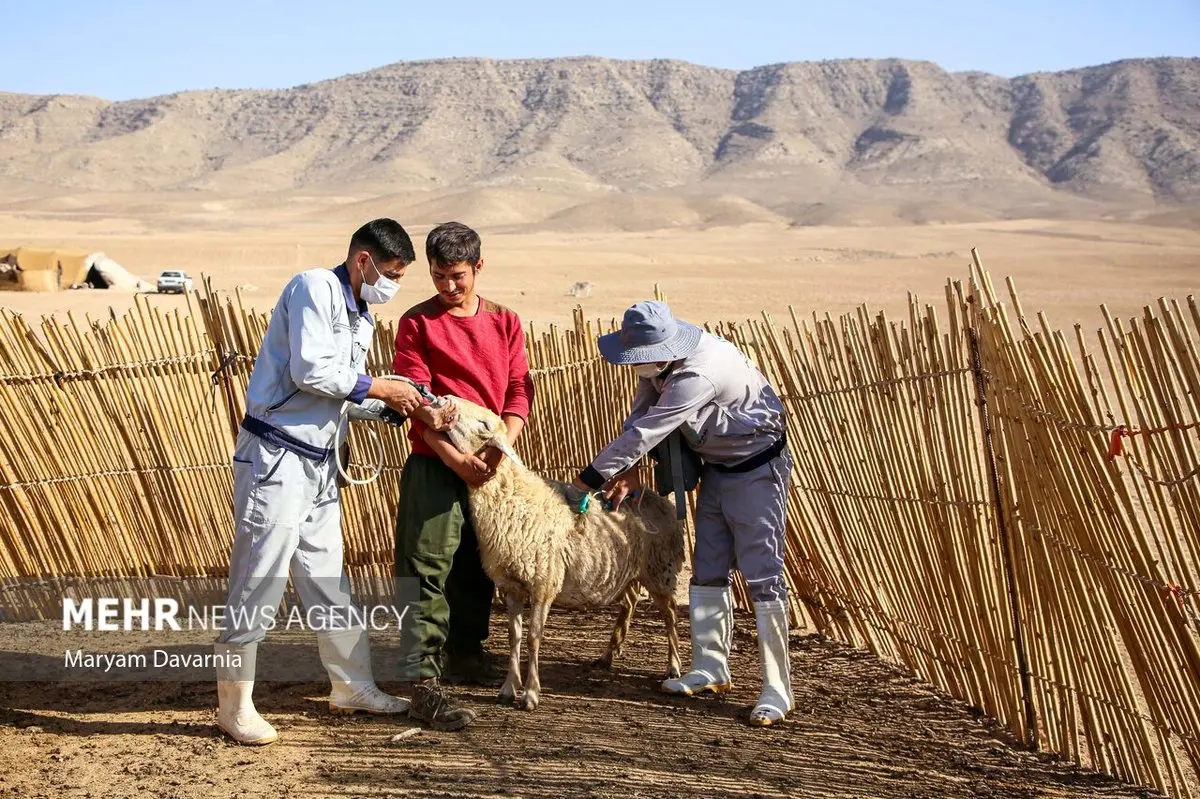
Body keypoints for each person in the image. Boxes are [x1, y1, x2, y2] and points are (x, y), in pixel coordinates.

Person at [213, 218, 457, 746]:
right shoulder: (313, 288)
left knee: (327, 579)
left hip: (320, 463)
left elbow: (344, 392)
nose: (391, 284)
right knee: (259, 578)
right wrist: (383, 388)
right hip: (277, 458)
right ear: (364, 260)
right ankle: (235, 705)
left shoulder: (360, 312)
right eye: (390, 272)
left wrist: (406, 407)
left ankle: (352, 686)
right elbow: (311, 373)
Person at [571, 300, 795, 727]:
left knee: (762, 572)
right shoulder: (661, 365)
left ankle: (776, 689)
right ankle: (711, 669)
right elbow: (640, 415)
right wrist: (628, 467)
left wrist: (586, 481)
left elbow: (649, 430)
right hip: (718, 468)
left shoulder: (697, 374)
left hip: (756, 471)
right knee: (708, 566)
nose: (635, 366)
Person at [392, 221, 534, 731]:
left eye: (457, 276)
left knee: (480, 563)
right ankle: (422, 683)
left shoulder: (505, 322)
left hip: (494, 461)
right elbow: (417, 402)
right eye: (437, 277)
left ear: (478, 266)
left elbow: (519, 389)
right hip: (436, 463)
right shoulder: (417, 324)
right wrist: (458, 461)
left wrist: (502, 447)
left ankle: (467, 653)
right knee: (425, 567)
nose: (448, 287)